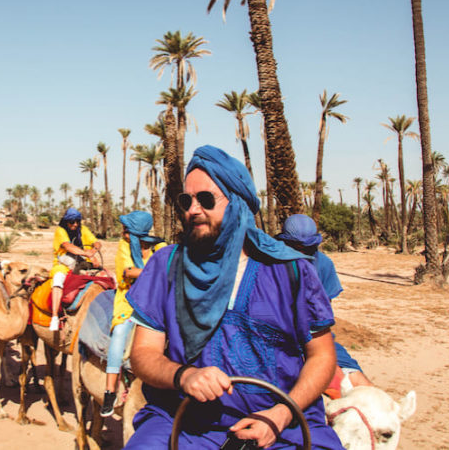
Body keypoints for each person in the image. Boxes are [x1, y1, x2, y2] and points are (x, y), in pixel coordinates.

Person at [125, 145, 343, 449]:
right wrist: (183, 376)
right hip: (184, 422)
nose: (193, 210)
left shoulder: (291, 270)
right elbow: (143, 354)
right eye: (186, 200)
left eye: (205, 199)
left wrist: (281, 414)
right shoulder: (166, 265)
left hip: (282, 426)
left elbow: (322, 355)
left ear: (238, 203)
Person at [276, 214, 374, 388]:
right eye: (295, 248)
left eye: (307, 248)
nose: (301, 253)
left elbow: (322, 315)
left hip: (313, 338)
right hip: (276, 339)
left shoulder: (323, 264)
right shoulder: (268, 264)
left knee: (360, 384)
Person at [100, 211, 165, 417]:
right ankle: (110, 391)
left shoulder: (159, 246)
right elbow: (128, 272)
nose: (123, 232)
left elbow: (170, 261)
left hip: (155, 301)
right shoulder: (124, 246)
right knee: (119, 335)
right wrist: (159, 272)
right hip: (129, 302)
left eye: (126, 229)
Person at [49, 207, 102, 331]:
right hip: (63, 264)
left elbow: (96, 242)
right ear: (66, 222)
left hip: (82, 262)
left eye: (77, 221)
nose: (75, 224)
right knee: (58, 281)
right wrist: (86, 253)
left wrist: (94, 250)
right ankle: (55, 316)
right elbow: (67, 246)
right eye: (72, 222)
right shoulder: (60, 231)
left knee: (106, 276)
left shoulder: (82, 230)